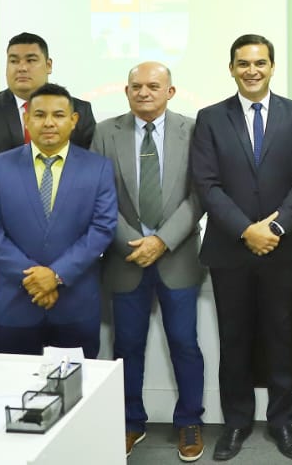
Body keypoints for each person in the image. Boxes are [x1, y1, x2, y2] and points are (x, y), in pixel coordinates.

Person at [189, 35, 292, 461]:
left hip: (283, 247)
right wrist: (247, 230)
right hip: (231, 248)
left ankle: (282, 423)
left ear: (272, 66)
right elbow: (207, 184)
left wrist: (275, 226)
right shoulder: (210, 118)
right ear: (231, 68)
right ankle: (237, 423)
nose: (252, 70)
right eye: (243, 63)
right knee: (236, 338)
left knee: (282, 337)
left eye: (260, 62)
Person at [0, 32, 96, 348]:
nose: (21, 68)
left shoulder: (79, 111)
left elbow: (86, 180)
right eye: (14, 60)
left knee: (63, 343)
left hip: (60, 250)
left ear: (48, 64)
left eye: (31, 60)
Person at [92, 62, 206, 461]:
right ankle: (129, 421)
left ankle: (190, 420)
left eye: (153, 86)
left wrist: (162, 241)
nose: (144, 92)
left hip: (178, 257)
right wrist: (132, 243)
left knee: (185, 343)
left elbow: (200, 195)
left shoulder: (193, 131)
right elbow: (98, 196)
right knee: (126, 346)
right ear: (126, 91)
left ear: (170, 92)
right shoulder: (105, 132)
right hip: (126, 258)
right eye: (136, 86)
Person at [0, 83, 116, 357]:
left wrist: (56, 275)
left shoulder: (98, 168)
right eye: (39, 115)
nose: (49, 122)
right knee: (15, 391)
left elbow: (102, 228)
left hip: (76, 304)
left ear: (74, 120)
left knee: (78, 392)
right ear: (27, 118)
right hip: (16, 304)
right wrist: (34, 278)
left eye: (59, 115)